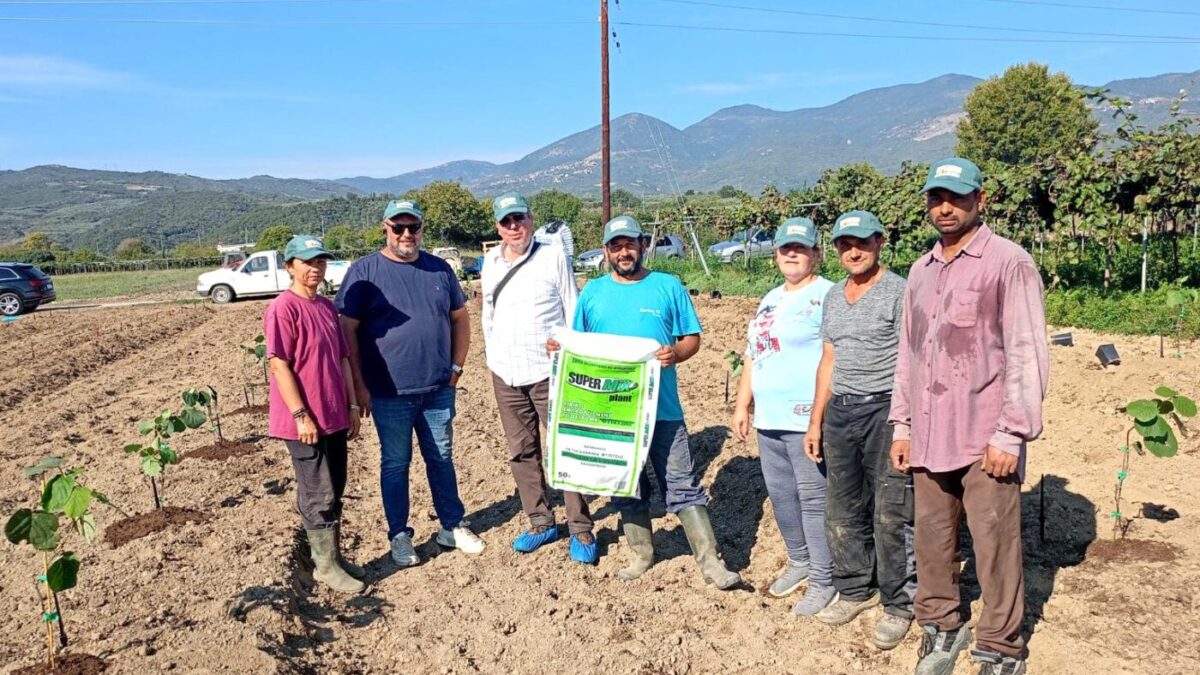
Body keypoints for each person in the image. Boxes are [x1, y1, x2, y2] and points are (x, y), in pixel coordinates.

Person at [889, 158, 1048, 675]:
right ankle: (942, 627)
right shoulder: (920, 270)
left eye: (956, 197)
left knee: (995, 544)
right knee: (931, 537)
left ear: (981, 199)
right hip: (930, 434)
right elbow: (908, 354)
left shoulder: (1009, 262)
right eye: (936, 198)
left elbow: (1026, 352)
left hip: (985, 437)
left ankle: (1000, 648)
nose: (945, 207)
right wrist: (904, 423)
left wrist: (1010, 433)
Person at [551, 215, 741, 590]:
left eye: (630, 244)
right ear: (606, 251)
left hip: (663, 410)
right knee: (625, 484)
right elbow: (580, 344)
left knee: (682, 482)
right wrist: (561, 347)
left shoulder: (667, 286)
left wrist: (676, 353)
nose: (624, 252)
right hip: (613, 412)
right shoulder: (593, 293)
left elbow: (692, 338)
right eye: (616, 245)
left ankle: (711, 562)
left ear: (642, 245)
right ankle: (641, 553)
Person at [336, 199, 485, 568]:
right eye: (398, 227)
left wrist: (456, 369)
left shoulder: (439, 270)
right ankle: (399, 535)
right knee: (395, 464)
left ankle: (452, 525)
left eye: (413, 227)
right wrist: (359, 386)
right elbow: (347, 332)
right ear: (385, 229)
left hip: (437, 388)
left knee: (442, 457)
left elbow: (460, 320)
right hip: (389, 393)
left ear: (421, 229)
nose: (406, 234)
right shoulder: (365, 272)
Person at [806, 210, 916, 649]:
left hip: (885, 411)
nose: (854, 250)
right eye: (845, 243)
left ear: (880, 243)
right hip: (841, 414)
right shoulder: (834, 297)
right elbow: (829, 360)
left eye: (863, 242)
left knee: (891, 512)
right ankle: (854, 588)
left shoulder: (898, 292)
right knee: (842, 508)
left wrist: (906, 424)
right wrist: (816, 420)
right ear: (835, 249)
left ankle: (899, 602)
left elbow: (911, 361)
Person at [731, 217, 837, 615]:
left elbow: (833, 357)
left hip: (806, 417)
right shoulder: (770, 298)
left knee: (813, 498)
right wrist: (744, 404)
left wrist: (819, 415)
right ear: (775, 254)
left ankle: (824, 579)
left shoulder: (828, 295)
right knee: (781, 496)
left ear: (815, 253)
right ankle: (800, 562)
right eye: (785, 248)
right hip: (769, 417)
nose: (792, 254)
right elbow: (752, 353)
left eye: (801, 248)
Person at [483, 192, 596, 564]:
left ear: (531, 219)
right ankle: (541, 521)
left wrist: (570, 352)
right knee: (521, 450)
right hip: (506, 372)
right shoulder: (490, 261)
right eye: (506, 221)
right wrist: (493, 357)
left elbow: (572, 308)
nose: (514, 227)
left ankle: (580, 527)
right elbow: (488, 312)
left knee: (567, 446)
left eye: (520, 219)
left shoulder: (552, 256)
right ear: (498, 227)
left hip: (549, 372)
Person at [265, 235, 364, 594]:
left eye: (320, 261)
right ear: (289, 266)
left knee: (336, 486)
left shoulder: (325, 307)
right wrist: (300, 414)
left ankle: (333, 558)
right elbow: (279, 365)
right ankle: (324, 567)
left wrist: (352, 405)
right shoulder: (283, 308)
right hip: (305, 421)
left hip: (334, 413)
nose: (315, 268)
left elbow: (342, 359)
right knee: (317, 492)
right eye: (307, 262)